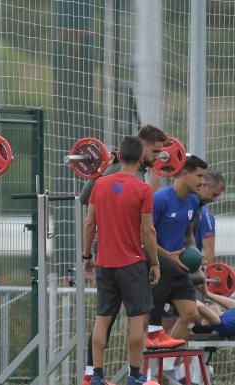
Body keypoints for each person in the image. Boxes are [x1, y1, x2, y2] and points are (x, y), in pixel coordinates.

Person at [80, 124, 167, 385]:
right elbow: (148, 231)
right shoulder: (142, 189)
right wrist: (155, 262)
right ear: (140, 157)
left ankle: (96, 375)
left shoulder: (101, 184)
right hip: (131, 264)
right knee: (137, 319)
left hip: (104, 264)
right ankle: (134, 375)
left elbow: (89, 224)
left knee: (102, 319)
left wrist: (87, 256)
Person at [146, 155, 208, 348]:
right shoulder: (159, 199)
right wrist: (167, 256)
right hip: (157, 266)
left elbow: (188, 233)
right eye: (198, 176)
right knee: (152, 327)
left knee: (191, 314)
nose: (203, 181)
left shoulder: (193, 201)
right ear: (183, 174)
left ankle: (171, 367)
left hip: (178, 267)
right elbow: (144, 237)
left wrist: (196, 256)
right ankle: (146, 371)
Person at [194, 171, 225, 264]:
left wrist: (199, 273)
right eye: (214, 194)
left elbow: (210, 252)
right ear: (204, 185)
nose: (215, 200)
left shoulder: (206, 216)